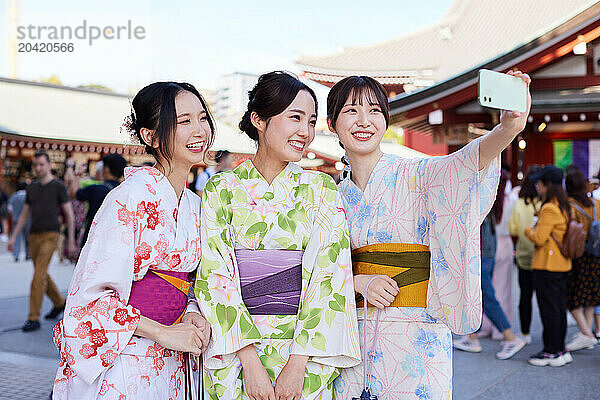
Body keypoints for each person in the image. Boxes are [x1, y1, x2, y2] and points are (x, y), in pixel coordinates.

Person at [326, 72, 530, 399]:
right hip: (352, 334)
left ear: (386, 121)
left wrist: (507, 129)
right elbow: (315, 266)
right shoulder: (329, 195)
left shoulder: (419, 174)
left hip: (417, 330)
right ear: (331, 124)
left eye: (374, 110)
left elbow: (465, 165)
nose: (364, 120)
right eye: (351, 110)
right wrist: (356, 282)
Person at [196, 71, 360, 400]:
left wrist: (298, 364)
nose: (306, 131)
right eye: (295, 117)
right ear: (259, 119)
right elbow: (216, 275)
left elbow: (331, 276)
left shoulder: (321, 189)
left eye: (312, 121)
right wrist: (251, 363)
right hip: (237, 352)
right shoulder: (222, 188)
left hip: (305, 351)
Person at [51, 81, 213, 399]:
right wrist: (162, 331)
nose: (200, 130)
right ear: (149, 136)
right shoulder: (127, 198)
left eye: (203, 117)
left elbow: (190, 281)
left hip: (175, 356)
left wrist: (192, 308)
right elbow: (90, 299)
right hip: (127, 356)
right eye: (184, 121)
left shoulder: (195, 204)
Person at [453, 178, 525, 359]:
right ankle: (472, 337)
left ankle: (510, 337)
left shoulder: (479, 200)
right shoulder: (490, 198)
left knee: (485, 297)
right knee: (478, 296)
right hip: (488, 254)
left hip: (481, 255)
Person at [7, 151, 76, 332]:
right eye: (35, 165)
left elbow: (69, 214)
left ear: (49, 165)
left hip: (51, 234)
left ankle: (33, 318)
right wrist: (13, 237)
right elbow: (24, 215)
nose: (38, 168)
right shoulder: (32, 188)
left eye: (41, 165)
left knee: (37, 277)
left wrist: (70, 240)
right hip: (33, 236)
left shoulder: (58, 186)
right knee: (42, 273)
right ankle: (60, 303)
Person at [525, 165, 572, 367]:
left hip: (546, 266)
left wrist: (528, 229)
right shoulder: (563, 205)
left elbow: (539, 238)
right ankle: (559, 349)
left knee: (549, 311)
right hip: (561, 266)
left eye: (540, 183)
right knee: (559, 309)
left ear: (546, 185)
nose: (537, 186)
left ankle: (551, 352)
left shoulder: (548, 208)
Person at [479, 167, 518, 340]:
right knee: (501, 289)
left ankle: (501, 332)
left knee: (487, 292)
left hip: (488, 248)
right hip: (502, 244)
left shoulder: (488, 200)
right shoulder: (509, 200)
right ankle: (489, 331)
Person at [564, 167, 600, 351]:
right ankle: (588, 334)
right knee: (590, 298)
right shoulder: (595, 203)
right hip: (595, 255)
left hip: (579, 255)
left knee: (573, 298)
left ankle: (586, 333)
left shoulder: (570, 206)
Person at [509, 165, 543, 344]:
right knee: (544, 298)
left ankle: (525, 333)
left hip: (523, 254)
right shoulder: (545, 203)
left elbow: (513, 228)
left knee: (525, 296)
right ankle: (549, 336)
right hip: (542, 256)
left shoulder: (520, 202)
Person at [73, 153, 128, 247]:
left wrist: (77, 174)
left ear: (106, 169)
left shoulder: (97, 189)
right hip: (116, 241)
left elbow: (74, 194)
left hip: (93, 238)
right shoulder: (126, 190)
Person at [7, 180, 31, 262]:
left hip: (16, 220)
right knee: (27, 237)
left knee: (17, 238)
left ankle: (16, 255)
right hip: (28, 219)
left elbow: (9, 208)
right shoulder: (28, 196)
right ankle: (28, 254)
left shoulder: (14, 196)